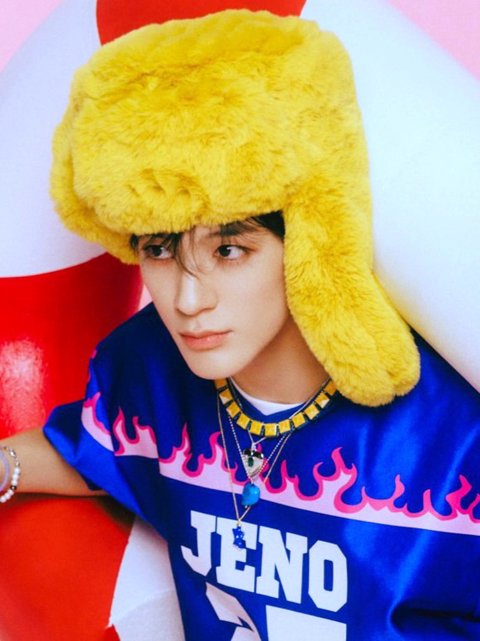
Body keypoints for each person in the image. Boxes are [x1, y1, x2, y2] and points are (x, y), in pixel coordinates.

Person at [1, 9, 479, 640]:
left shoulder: (452, 425)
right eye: (159, 249)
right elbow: (97, 451)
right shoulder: (149, 368)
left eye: (230, 250)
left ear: (304, 242)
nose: (189, 300)